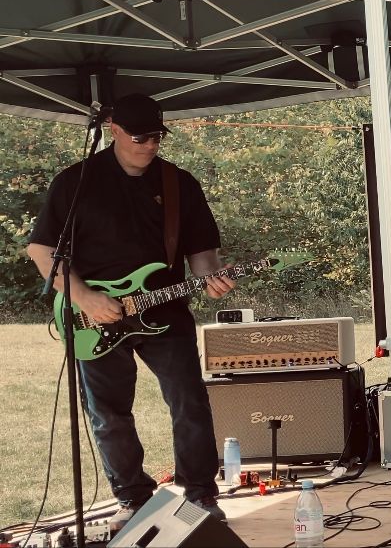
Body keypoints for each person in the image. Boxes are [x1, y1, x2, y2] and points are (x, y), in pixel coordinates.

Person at [27, 93, 235, 531]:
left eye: (157, 136)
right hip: (95, 316)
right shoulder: (75, 183)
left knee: (189, 400)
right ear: (114, 131)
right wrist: (84, 298)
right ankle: (133, 498)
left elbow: (202, 253)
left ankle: (200, 495)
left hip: (165, 309)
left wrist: (211, 280)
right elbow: (42, 250)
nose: (151, 145)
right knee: (108, 412)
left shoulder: (180, 184)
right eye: (140, 137)